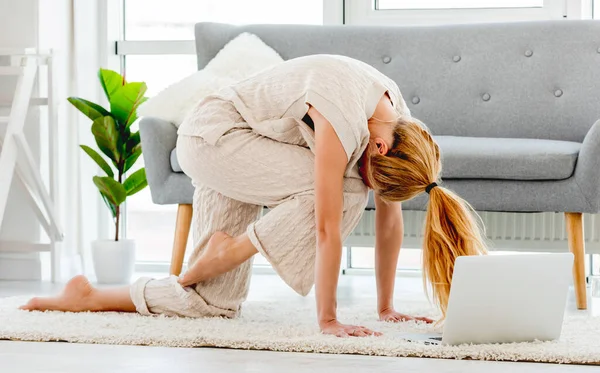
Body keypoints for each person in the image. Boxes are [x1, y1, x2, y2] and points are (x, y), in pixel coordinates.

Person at [21, 54, 487, 337]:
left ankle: (90, 294)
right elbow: (327, 226)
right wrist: (328, 320)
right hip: (214, 138)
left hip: (251, 149)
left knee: (209, 305)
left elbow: (389, 221)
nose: (370, 185)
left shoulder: (396, 121)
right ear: (379, 147)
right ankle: (228, 251)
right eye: (374, 173)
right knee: (344, 191)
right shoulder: (344, 120)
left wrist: (385, 308)